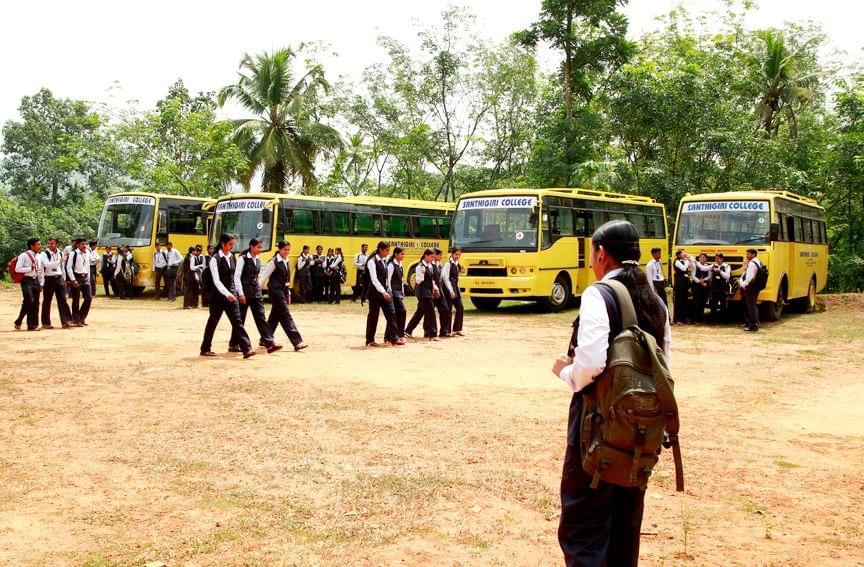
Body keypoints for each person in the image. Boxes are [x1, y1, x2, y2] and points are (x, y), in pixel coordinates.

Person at [551, 220, 671, 567]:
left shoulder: (598, 294)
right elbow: (663, 364)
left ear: (601, 254)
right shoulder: (655, 302)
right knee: (624, 527)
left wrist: (565, 372)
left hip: (597, 427)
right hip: (640, 431)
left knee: (584, 528)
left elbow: (590, 364)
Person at [200, 234, 256, 359]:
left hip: (231, 294)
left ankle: (247, 348)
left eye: (233, 244)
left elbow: (234, 277)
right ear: (223, 244)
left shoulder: (232, 257)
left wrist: (237, 292)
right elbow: (216, 281)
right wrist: (227, 294)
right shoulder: (215, 259)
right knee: (213, 322)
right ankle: (205, 348)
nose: (232, 246)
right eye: (230, 244)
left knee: (237, 322)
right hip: (218, 297)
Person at [232, 238, 281, 353]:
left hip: (255, 292)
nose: (260, 250)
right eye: (258, 247)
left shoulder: (258, 259)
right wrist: (240, 293)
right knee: (240, 319)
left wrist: (258, 288)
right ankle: (233, 343)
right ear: (251, 246)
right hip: (244, 292)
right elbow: (237, 277)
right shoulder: (243, 259)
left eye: (261, 247)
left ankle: (269, 342)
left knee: (260, 318)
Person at [259, 240, 308, 351]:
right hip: (275, 292)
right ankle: (297, 342)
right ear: (279, 249)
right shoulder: (273, 262)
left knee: (275, 316)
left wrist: (288, 294)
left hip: (283, 291)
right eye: (285, 250)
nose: (287, 252)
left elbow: (287, 280)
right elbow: (263, 278)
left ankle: (264, 339)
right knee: (286, 316)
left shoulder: (287, 261)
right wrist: (256, 291)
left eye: (288, 250)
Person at [364, 241, 403, 347]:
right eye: (386, 250)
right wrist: (383, 292)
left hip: (385, 292)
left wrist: (388, 291)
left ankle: (394, 337)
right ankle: (370, 340)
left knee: (391, 313)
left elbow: (386, 278)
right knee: (373, 316)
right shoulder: (372, 262)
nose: (388, 253)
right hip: (375, 293)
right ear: (380, 250)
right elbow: (374, 280)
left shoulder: (384, 260)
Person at [40, 237, 74, 329]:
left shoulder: (60, 253)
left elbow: (62, 268)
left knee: (63, 299)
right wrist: (59, 261)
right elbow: (48, 265)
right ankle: (46, 323)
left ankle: (66, 321)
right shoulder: (44, 254)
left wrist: (64, 279)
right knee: (47, 300)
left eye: (52, 243)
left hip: (59, 278)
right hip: (49, 278)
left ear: (57, 244)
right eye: (49, 243)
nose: (50, 245)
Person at [406, 248, 439, 341]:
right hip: (423, 292)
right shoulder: (420, 266)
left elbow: (431, 280)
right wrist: (423, 273)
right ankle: (433, 334)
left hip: (428, 291)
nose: (432, 259)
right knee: (431, 312)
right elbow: (418, 281)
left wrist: (435, 288)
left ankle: (408, 330)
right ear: (426, 256)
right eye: (431, 257)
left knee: (419, 312)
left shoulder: (430, 266)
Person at [13, 237, 43, 331]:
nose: (40, 246)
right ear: (31, 246)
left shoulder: (38, 256)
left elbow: (40, 270)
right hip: (27, 280)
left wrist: (41, 282)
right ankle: (19, 320)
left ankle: (32, 325)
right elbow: (17, 269)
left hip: (36, 280)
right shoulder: (24, 255)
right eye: (38, 244)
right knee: (29, 300)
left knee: (36, 303)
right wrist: (30, 268)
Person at [66, 238, 93, 326]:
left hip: (86, 277)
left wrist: (88, 277)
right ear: (77, 245)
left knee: (88, 298)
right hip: (77, 277)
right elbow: (69, 267)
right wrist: (73, 279)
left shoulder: (87, 252)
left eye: (85, 244)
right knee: (76, 300)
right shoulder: (73, 253)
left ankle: (82, 317)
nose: (84, 245)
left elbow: (88, 265)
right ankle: (76, 319)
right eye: (82, 244)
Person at [439, 247, 464, 336]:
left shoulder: (457, 264)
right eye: (456, 254)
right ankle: (447, 330)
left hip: (455, 289)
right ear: (452, 254)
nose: (458, 256)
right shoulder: (448, 264)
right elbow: (445, 278)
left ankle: (457, 329)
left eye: (459, 254)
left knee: (460, 307)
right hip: (448, 290)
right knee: (448, 310)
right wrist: (450, 290)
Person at [431, 247, 452, 338]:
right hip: (432, 291)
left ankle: (444, 331)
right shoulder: (430, 265)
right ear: (434, 255)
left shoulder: (439, 265)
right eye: (439, 254)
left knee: (444, 309)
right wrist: (434, 288)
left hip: (440, 291)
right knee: (425, 312)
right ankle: (427, 331)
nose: (441, 256)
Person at [387, 247, 407, 338]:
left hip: (398, 291)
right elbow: (388, 280)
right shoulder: (391, 265)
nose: (403, 256)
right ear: (396, 254)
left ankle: (388, 336)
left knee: (395, 314)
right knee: (402, 311)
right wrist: (390, 292)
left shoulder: (400, 265)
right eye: (401, 254)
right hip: (393, 292)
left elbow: (400, 280)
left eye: (403, 254)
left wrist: (402, 291)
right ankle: (400, 334)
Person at [740, 248, 762, 332]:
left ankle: (753, 325)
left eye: (748, 254)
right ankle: (755, 323)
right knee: (753, 306)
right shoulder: (757, 261)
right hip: (754, 287)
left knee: (751, 306)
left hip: (750, 287)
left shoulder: (752, 264)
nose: (747, 256)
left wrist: (743, 284)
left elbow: (750, 277)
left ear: (753, 254)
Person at [708, 253, 731, 322]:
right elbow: (706, 271)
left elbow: (727, 277)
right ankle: (713, 319)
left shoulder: (727, 266)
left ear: (722, 259)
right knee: (713, 303)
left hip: (723, 286)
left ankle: (723, 319)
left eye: (718, 258)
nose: (716, 260)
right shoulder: (713, 265)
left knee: (723, 303)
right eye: (715, 258)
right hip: (714, 286)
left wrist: (720, 271)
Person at [672, 250, 692, 325]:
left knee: (685, 300)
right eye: (683, 253)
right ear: (679, 255)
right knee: (679, 300)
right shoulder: (677, 261)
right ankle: (677, 319)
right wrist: (688, 260)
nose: (684, 254)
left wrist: (690, 259)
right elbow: (683, 268)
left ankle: (684, 318)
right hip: (679, 283)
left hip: (685, 283)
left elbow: (690, 266)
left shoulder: (685, 261)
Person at [690, 253, 711, 323]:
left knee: (702, 301)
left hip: (704, 285)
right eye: (701, 257)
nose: (702, 258)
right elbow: (693, 275)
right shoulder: (695, 265)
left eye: (704, 257)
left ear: (706, 259)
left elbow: (709, 276)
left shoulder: (708, 266)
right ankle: (694, 318)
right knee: (696, 301)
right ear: (698, 258)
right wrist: (700, 281)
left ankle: (700, 318)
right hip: (696, 285)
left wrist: (704, 280)